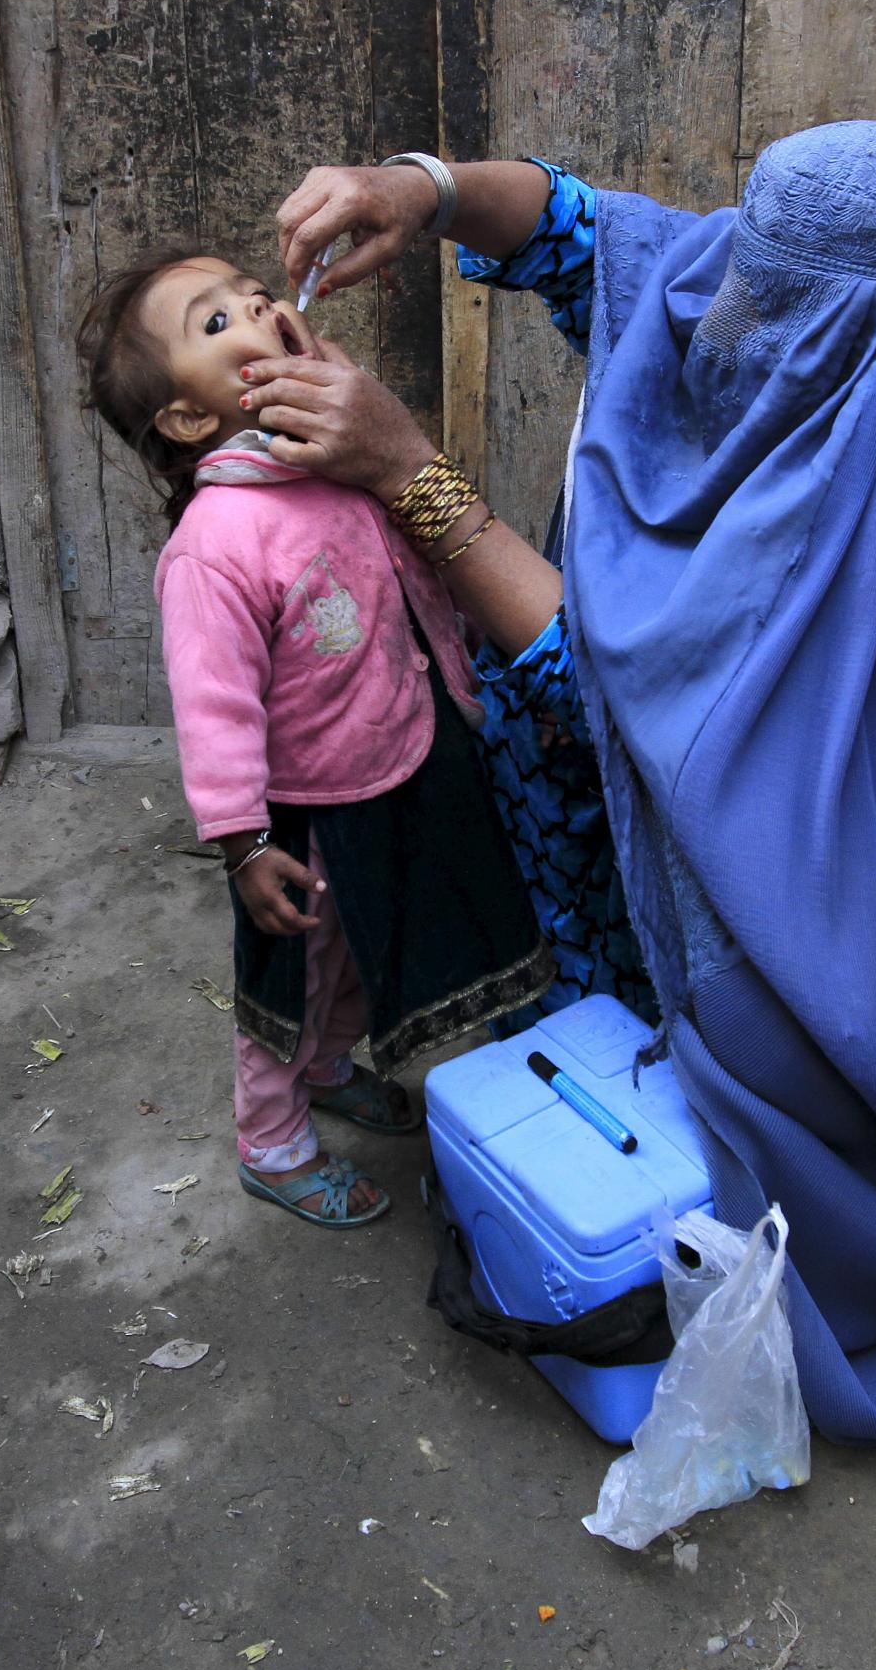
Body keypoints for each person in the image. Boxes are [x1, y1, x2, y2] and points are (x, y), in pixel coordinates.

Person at [247, 127, 876, 1440]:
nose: (725, 303)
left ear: (838, 332)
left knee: (759, 1046)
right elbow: (610, 238)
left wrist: (403, 471)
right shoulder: (832, 340)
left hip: (824, 944)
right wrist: (421, 193)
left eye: (767, 285)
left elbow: (603, 681)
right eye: (741, 257)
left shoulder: (874, 526)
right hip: (749, 840)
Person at [75, 251, 552, 1229]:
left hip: (393, 764)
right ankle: (271, 1141)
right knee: (294, 979)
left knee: (356, 955)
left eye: (253, 293)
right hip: (302, 814)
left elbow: (415, 583)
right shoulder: (216, 542)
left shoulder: (337, 466)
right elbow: (214, 711)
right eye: (215, 323)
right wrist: (242, 842)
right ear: (188, 417)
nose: (255, 304)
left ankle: (331, 1070)